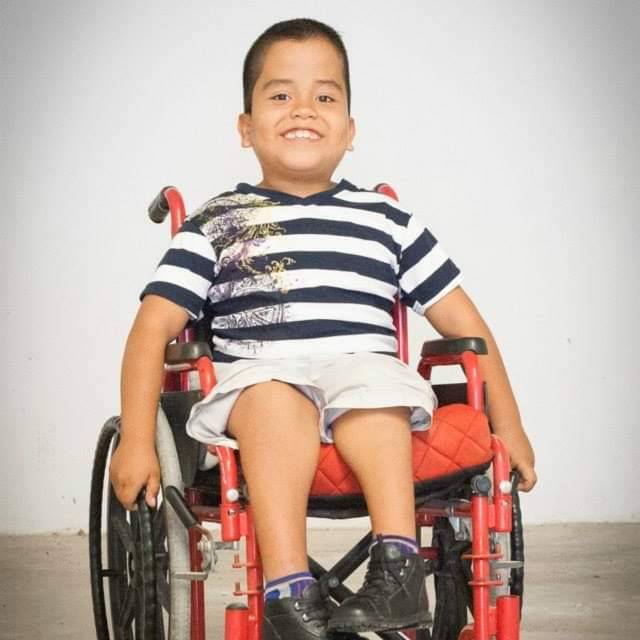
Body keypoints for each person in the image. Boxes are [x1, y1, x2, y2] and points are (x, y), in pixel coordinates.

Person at [110, 17, 536, 640]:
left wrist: (510, 425)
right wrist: (137, 440)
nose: (303, 109)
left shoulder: (387, 220)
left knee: (376, 388)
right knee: (275, 399)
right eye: (280, 94)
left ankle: (398, 571)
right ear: (246, 126)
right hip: (261, 380)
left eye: (325, 96)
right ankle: (289, 594)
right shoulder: (216, 223)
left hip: (362, 371)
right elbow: (151, 330)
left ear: (350, 130)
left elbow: (467, 324)